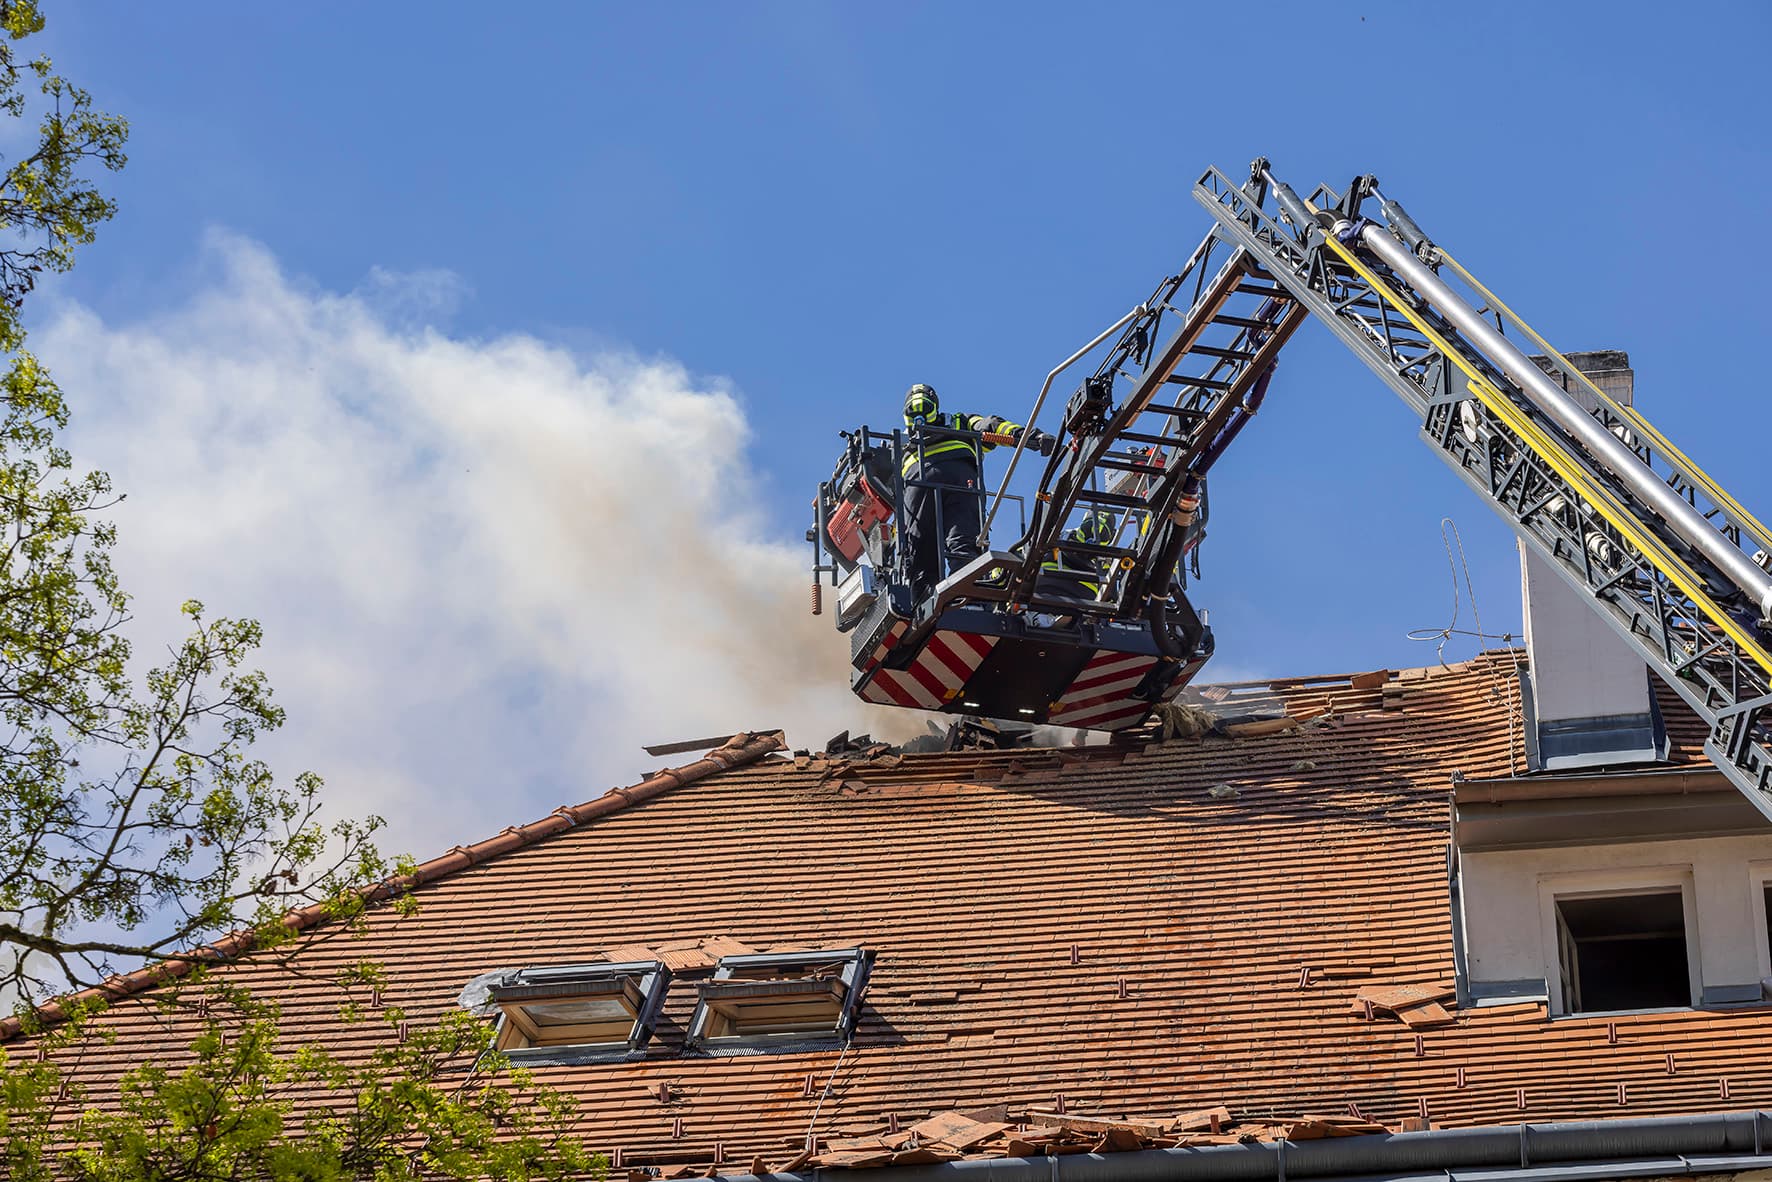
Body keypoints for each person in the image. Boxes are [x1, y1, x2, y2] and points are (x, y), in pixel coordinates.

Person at [900, 383, 1053, 603]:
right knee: (963, 540)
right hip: (960, 481)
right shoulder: (960, 422)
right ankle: (965, 596)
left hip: (917, 487)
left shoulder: (900, 445)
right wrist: (1031, 437)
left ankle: (924, 605)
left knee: (920, 548)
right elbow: (994, 426)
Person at [1035, 510, 1117, 623]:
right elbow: (1112, 598)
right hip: (1083, 600)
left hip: (1047, 588)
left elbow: (1022, 556)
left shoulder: (1058, 537)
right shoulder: (1110, 561)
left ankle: (1044, 618)